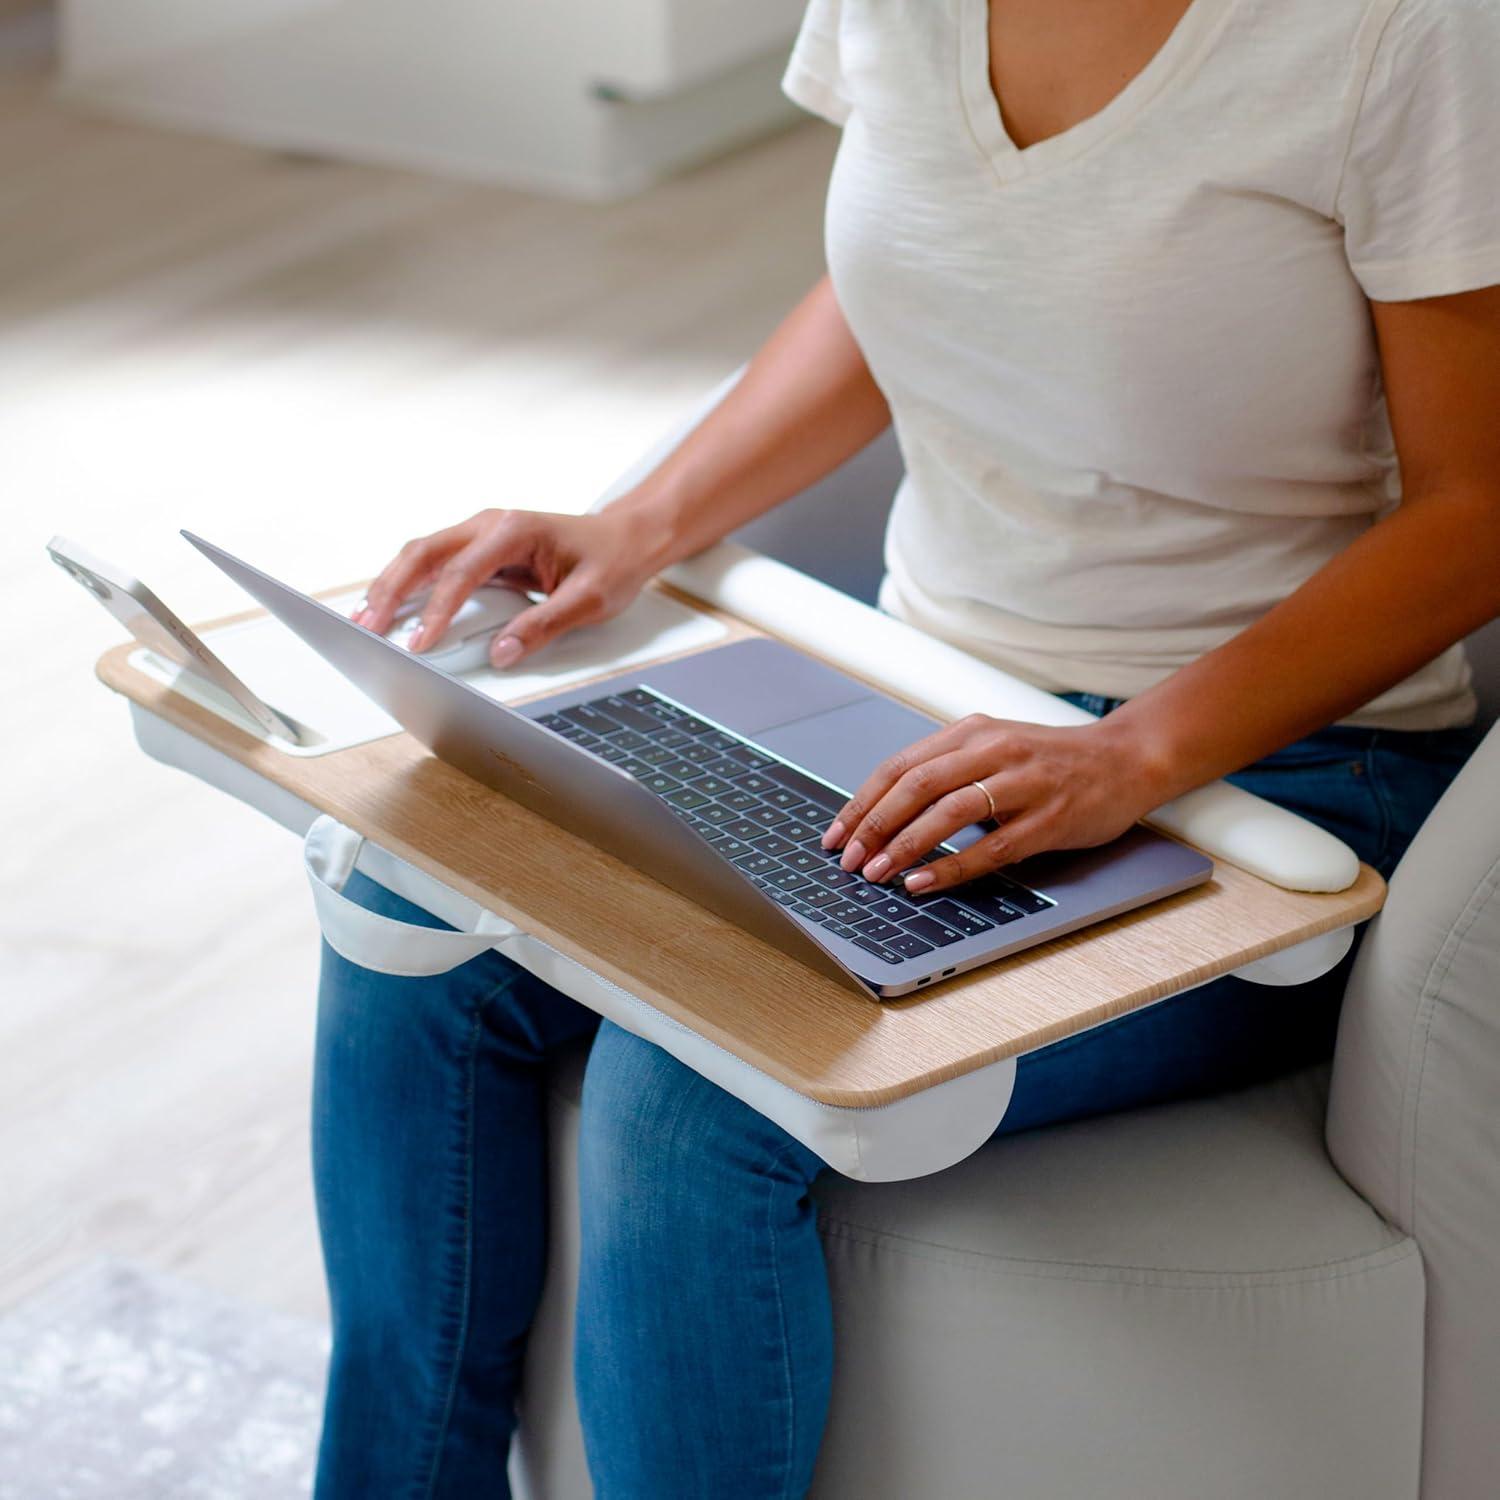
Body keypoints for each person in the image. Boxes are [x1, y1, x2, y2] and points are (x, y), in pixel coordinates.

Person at [313, 0, 1500, 1493]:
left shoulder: (1401, 33)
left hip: (1267, 782)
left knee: (694, 1094)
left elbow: (1479, 515)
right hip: (909, 701)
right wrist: (644, 522)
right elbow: (916, 281)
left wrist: (1130, 755)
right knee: (402, 920)